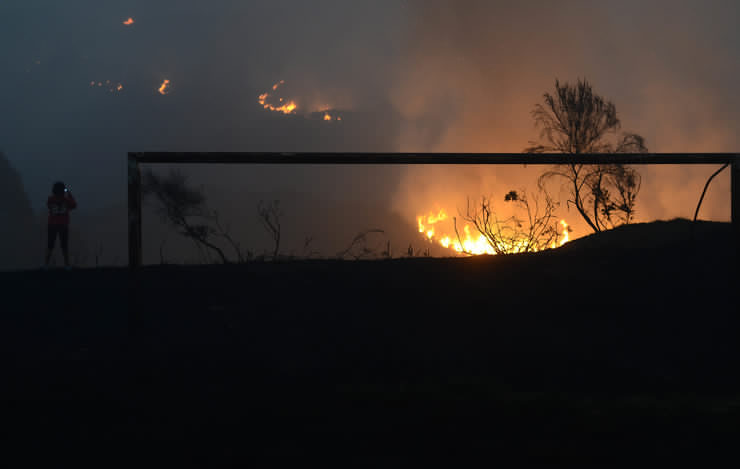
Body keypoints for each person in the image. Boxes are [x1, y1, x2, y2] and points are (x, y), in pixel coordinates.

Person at [45, 181, 77, 269]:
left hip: (52, 225)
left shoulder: (50, 199)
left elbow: (49, 206)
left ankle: (46, 265)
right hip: (63, 225)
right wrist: (68, 193)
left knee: (50, 245)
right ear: (63, 190)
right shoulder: (66, 200)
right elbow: (74, 205)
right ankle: (66, 265)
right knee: (64, 246)